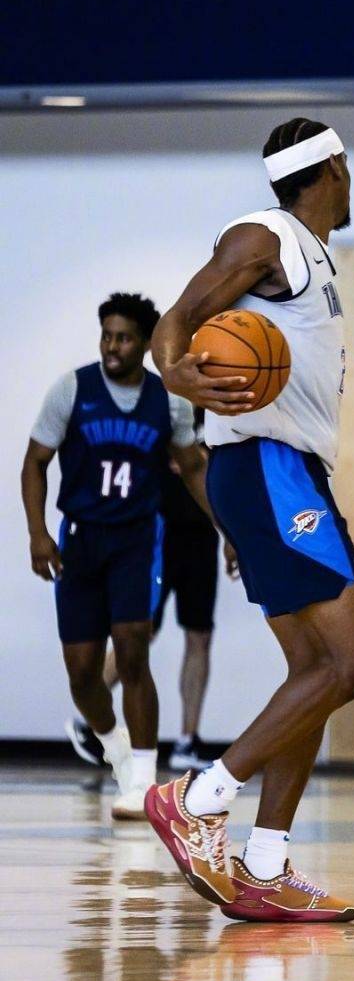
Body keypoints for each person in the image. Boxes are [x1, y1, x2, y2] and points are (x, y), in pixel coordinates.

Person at [146, 118, 354, 924]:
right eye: (348, 167)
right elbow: (176, 318)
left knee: (313, 671)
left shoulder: (312, 254)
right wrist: (178, 373)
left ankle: (266, 865)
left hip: (279, 474)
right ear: (334, 167)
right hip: (269, 466)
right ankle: (199, 799)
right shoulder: (267, 235)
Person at [21, 293, 213, 820]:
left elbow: (193, 468)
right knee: (83, 674)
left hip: (136, 540)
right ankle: (116, 747)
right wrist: (38, 534)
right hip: (81, 540)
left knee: (133, 650)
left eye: (124, 338)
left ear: (145, 344)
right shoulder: (72, 389)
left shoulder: (167, 402)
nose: (112, 346)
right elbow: (35, 462)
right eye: (107, 335)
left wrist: (231, 531)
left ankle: (144, 782)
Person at [66, 409, 236, 774]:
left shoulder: (219, 414)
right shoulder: (162, 406)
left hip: (201, 535)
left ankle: (188, 742)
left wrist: (230, 533)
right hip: (157, 533)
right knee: (142, 632)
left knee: (200, 635)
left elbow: (217, 470)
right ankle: (88, 720)